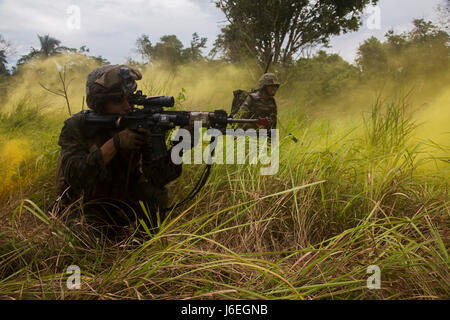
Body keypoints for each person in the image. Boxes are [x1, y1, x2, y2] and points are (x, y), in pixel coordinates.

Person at [55, 64, 182, 238]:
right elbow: (76, 176)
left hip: (121, 201)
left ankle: (141, 245)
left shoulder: (137, 123)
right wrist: (116, 143)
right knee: (80, 238)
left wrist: (179, 146)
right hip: (84, 205)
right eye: (118, 101)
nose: (127, 105)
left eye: (129, 98)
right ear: (100, 104)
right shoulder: (77, 126)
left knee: (155, 194)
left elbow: (159, 177)